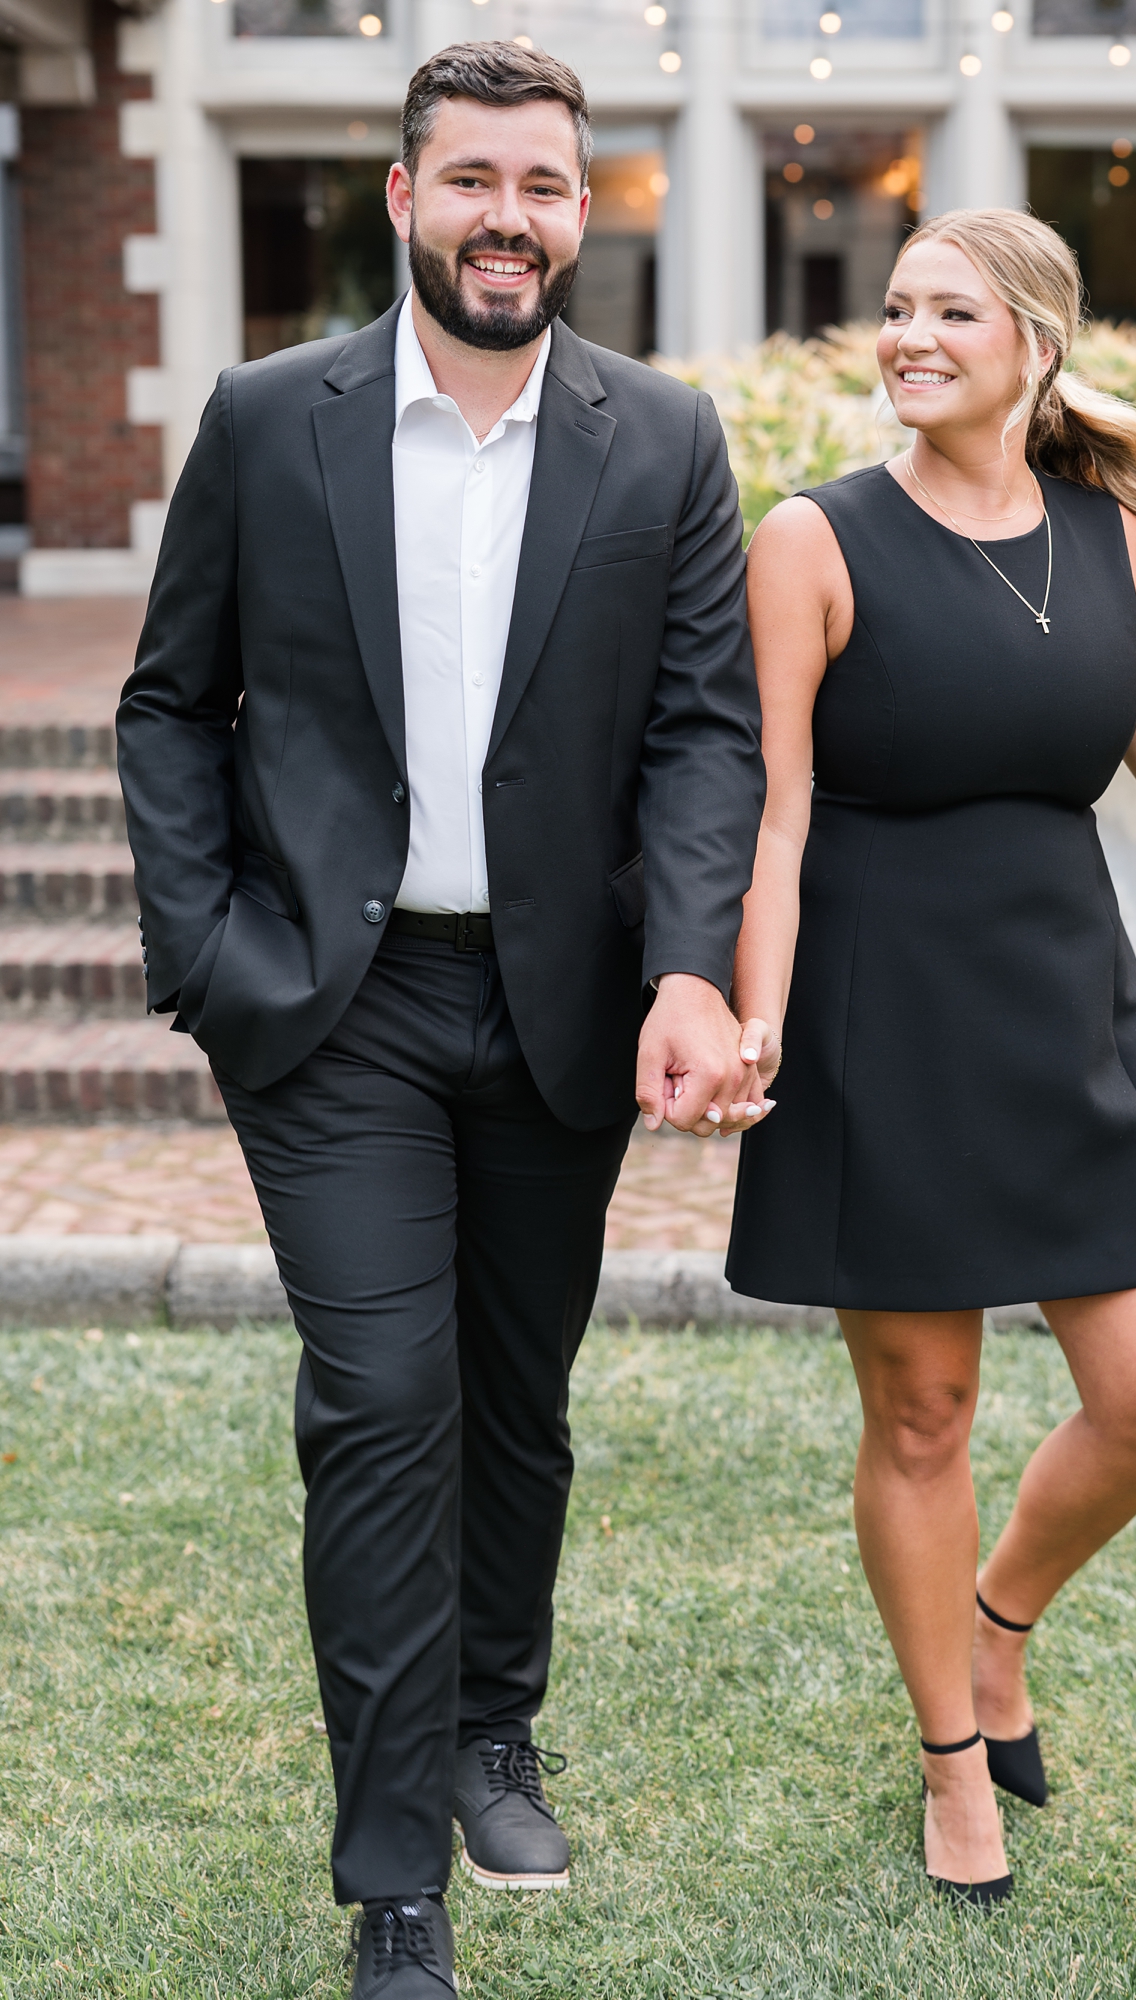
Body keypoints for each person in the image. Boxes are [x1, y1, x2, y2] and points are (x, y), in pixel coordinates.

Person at [118, 41, 767, 1998]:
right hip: (339, 1005)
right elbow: (170, 703)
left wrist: (687, 959)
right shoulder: (265, 419)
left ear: (588, 209)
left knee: (517, 1399)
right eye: (472, 177)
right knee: (383, 1402)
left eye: (546, 184)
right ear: (400, 197)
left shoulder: (663, 437)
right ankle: (394, 1866)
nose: (510, 215)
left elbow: (703, 730)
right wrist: (216, 964)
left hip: (563, 1004)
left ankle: (497, 1721)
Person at [725, 207, 1136, 1904]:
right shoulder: (814, 539)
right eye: (898, 306)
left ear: (1038, 346)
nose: (910, 335)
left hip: (1062, 1001)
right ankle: (950, 1759)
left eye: (953, 311)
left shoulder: (1117, 542)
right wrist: (757, 1010)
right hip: (873, 1007)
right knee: (922, 1408)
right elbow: (771, 818)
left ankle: (999, 1626)